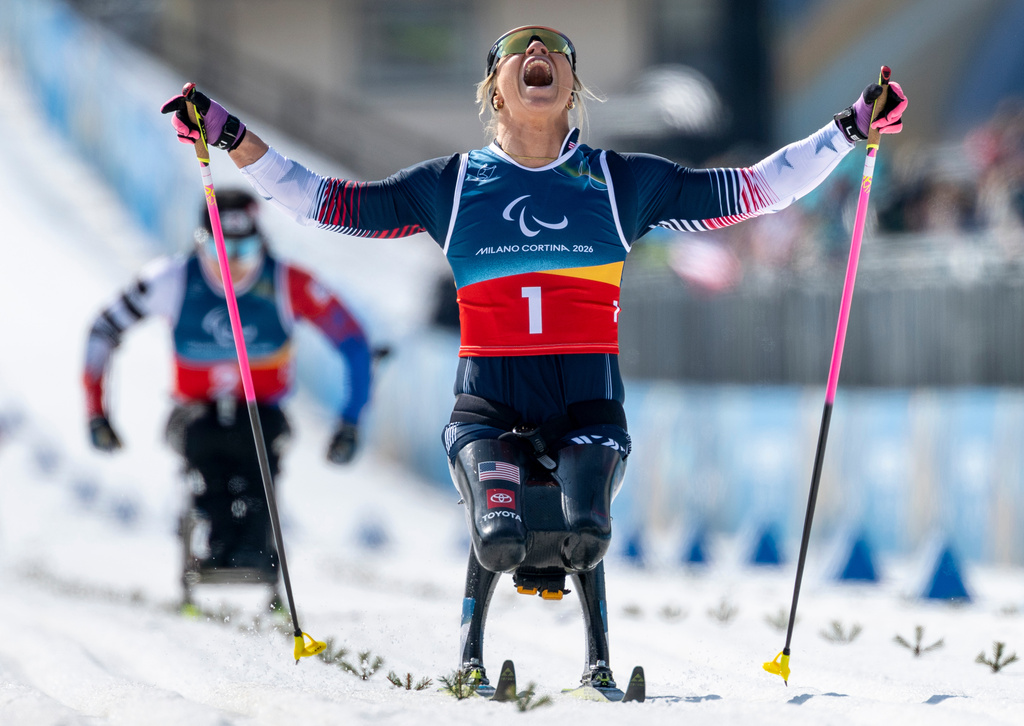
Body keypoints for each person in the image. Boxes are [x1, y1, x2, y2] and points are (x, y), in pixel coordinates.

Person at [161, 25, 907, 695]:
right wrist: (229, 135)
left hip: (587, 405)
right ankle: (471, 656)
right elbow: (323, 201)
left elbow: (758, 190)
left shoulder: (621, 182)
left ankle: (596, 662)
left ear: (573, 88)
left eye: (556, 52)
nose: (540, 55)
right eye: (522, 50)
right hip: (489, 407)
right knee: (500, 538)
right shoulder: (452, 185)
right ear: (495, 88)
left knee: (586, 533)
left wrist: (849, 131)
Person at [84, 189, 374, 584]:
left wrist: (350, 421)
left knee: (256, 441)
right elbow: (103, 331)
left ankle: (252, 541)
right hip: (194, 413)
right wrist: (96, 413)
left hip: (263, 414)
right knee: (205, 440)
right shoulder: (172, 279)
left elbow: (355, 343)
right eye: (219, 250)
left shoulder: (288, 282)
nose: (231, 264)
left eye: (244, 249)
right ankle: (222, 536)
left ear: (262, 243)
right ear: (201, 243)